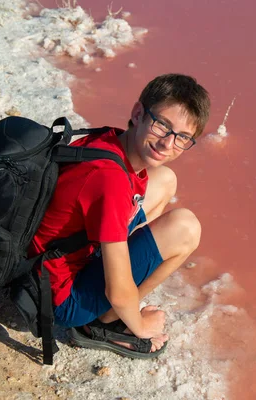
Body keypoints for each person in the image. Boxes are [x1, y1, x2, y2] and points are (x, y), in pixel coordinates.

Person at [28, 73, 211, 357]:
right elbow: (117, 290)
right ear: (138, 113)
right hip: (58, 297)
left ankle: (111, 292)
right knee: (184, 227)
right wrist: (140, 324)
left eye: (182, 137)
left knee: (164, 179)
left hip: (43, 259)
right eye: (162, 125)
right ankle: (104, 324)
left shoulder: (108, 141)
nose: (167, 144)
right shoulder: (110, 181)